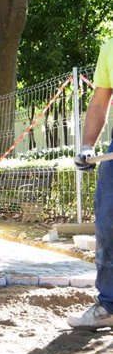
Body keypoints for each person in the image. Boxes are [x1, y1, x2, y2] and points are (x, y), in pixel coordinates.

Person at [68, 38, 113, 329]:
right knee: (108, 222)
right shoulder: (110, 47)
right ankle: (109, 304)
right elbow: (99, 101)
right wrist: (87, 144)